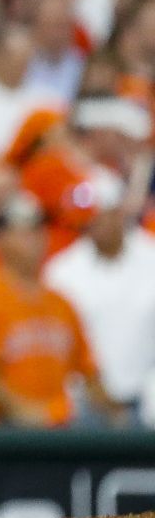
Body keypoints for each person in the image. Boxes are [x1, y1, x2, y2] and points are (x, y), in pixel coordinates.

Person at [0, 193, 121, 427]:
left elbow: (88, 371)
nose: (33, 238)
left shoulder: (60, 302)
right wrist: (23, 411)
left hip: (55, 433)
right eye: (21, 230)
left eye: (38, 229)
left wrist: (113, 411)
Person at [43, 172, 155, 413]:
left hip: (148, 400)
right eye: (88, 217)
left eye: (101, 215)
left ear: (119, 213)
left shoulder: (151, 259)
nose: (94, 224)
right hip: (84, 403)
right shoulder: (62, 271)